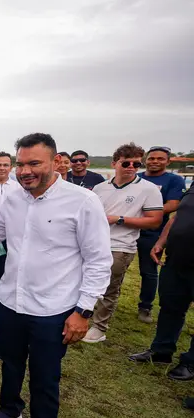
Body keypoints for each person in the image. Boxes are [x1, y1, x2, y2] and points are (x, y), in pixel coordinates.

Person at [0, 133, 111, 418]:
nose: (25, 171)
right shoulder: (13, 198)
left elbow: (99, 261)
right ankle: (10, 409)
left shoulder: (82, 201)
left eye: (34, 163)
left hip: (54, 309)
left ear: (55, 162)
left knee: (45, 375)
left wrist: (83, 311)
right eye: (21, 164)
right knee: (10, 362)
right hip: (11, 301)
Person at [83, 143, 162, 343]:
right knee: (87, 281)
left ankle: (100, 327)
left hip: (121, 245)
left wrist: (119, 219)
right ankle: (85, 314)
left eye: (136, 164)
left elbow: (154, 221)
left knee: (110, 287)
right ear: (114, 164)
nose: (131, 167)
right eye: (126, 163)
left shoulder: (148, 189)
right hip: (94, 243)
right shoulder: (100, 188)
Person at [128, 185, 194, 381]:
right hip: (176, 261)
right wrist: (160, 242)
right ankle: (161, 351)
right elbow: (177, 218)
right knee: (170, 306)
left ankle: (191, 362)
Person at [134, 146, 186, 323]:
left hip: (152, 233)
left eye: (160, 159)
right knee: (116, 267)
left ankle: (145, 307)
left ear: (168, 161)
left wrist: (147, 214)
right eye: (151, 158)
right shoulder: (136, 177)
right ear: (145, 160)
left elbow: (173, 204)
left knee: (148, 271)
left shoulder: (174, 180)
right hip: (129, 229)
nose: (155, 161)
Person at [0, 152, 16, 296]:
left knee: (3, 265)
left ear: (11, 167)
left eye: (5, 165)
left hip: (7, 235)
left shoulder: (18, 188)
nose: (2, 168)